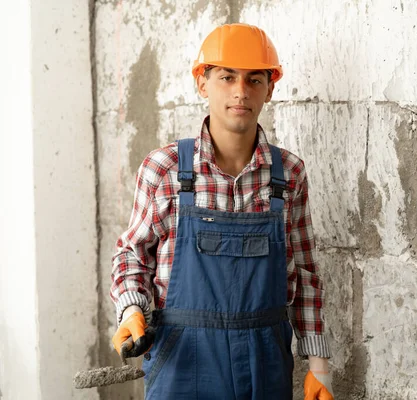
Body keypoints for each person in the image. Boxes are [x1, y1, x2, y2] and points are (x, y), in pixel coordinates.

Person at [109, 23, 334, 400]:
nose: (240, 92)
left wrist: (319, 366)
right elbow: (132, 254)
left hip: (265, 362)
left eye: (254, 79)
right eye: (227, 77)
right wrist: (132, 309)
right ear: (202, 83)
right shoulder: (164, 169)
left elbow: (306, 274)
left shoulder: (289, 174)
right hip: (182, 361)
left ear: (270, 88)